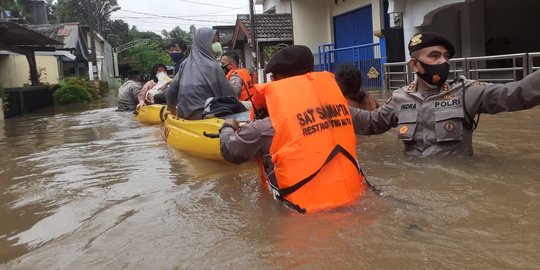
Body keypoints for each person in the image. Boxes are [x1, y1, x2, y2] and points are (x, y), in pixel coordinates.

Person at [219, 45, 367, 213]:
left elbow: (230, 150)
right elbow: (372, 122)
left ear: (278, 79)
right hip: (355, 202)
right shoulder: (340, 110)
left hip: (301, 217)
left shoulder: (267, 126)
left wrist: (227, 126)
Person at [351, 32, 540, 157]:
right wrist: (328, 107)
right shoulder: (400, 98)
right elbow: (371, 123)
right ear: (415, 65)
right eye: (435, 56)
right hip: (415, 185)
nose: (444, 61)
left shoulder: (466, 92)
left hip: (458, 190)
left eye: (446, 56)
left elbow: (516, 94)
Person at [166, 28, 236, 120]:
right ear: (203, 44)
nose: (217, 45)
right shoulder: (213, 66)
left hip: (184, 115)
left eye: (217, 42)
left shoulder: (184, 64)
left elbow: (171, 90)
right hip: (206, 116)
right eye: (213, 42)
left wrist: (171, 111)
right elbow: (230, 96)